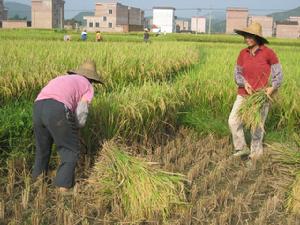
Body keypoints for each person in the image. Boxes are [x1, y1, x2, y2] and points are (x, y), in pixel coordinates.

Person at [32, 60, 104, 192]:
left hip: (38, 107)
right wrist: (76, 128)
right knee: (71, 150)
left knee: (43, 148)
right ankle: (63, 187)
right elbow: (81, 112)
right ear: (92, 78)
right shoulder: (88, 86)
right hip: (57, 109)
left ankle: (37, 181)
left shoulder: (63, 78)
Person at [228, 22, 283, 160]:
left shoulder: (268, 53)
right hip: (243, 95)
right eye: (246, 35)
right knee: (233, 121)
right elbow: (237, 74)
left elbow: (278, 74)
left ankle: (255, 155)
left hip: (261, 96)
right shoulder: (242, 53)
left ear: (257, 37)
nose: (247, 38)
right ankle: (241, 148)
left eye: (250, 36)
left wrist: (273, 87)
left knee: (256, 127)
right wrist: (244, 83)